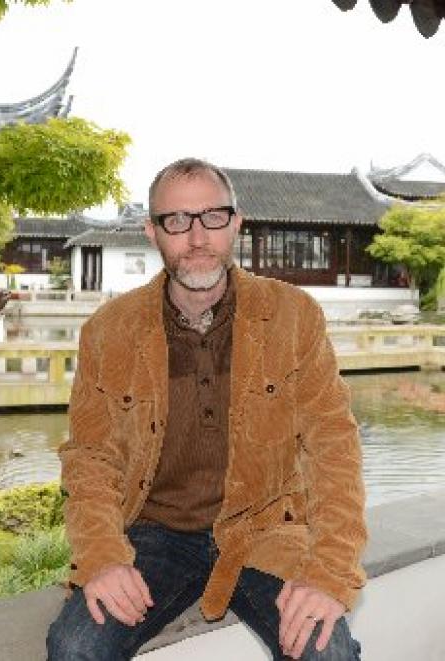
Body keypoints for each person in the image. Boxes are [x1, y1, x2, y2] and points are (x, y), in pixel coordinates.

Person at [47, 158, 366, 660]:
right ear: (152, 232)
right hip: (156, 535)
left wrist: (328, 572)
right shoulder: (110, 331)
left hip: (264, 529)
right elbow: (90, 459)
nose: (197, 238)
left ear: (236, 222)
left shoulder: (293, 317)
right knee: (75, 645)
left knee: (327, 650)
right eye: (176, 221)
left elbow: (334, 449)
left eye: (213, 217)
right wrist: (103, 558)